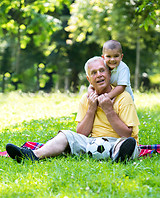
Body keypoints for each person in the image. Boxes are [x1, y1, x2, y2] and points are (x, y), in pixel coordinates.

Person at [6, 56, 140, 163]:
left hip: (119, 141)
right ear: (89, 79)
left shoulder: (123, 98)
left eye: (102, 70)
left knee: (128, 144)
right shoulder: (86, 99)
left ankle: (119, 156)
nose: (98, 75)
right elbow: (81, 134)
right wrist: (91, 108)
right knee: (65, 135)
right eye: (94, 73)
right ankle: (33, 155)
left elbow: (127, 134)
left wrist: (109, 110)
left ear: (109, 74)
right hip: (93, 143)